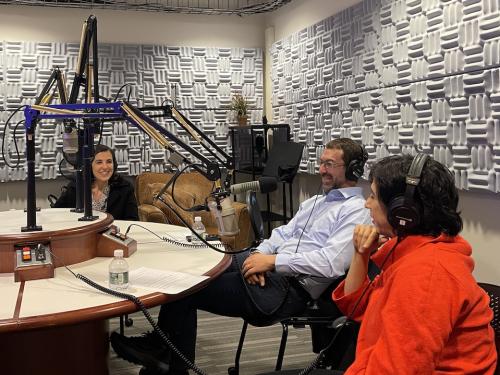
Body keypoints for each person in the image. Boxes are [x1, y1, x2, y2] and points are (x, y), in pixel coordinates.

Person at [110, 138, 371, 375]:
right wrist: (259, 254)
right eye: (321, 162)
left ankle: (168, 360)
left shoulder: (356, 211)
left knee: (187, 290)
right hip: (269, 266)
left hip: (287, 290)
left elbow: (330, 263)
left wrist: (273, 262)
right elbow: (282, 233)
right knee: (194, 266)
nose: (322, 169)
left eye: (330, 164)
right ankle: (162, 349)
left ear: (352, 170)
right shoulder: (316, 202)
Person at [327, 154, 496, 374]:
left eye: (373, 196)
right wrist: (361, 254)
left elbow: (398, 369)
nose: (367, 204)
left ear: (403, 211)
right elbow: (357, 308)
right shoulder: (412, 251)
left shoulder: (426, 274)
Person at [54, 144, 139, 221]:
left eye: (109, 161)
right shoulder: (76, 187)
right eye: (99, 162)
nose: (105, 167)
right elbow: (56, 213)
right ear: (90, 165)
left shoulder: (125, 188)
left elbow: (132, 221)